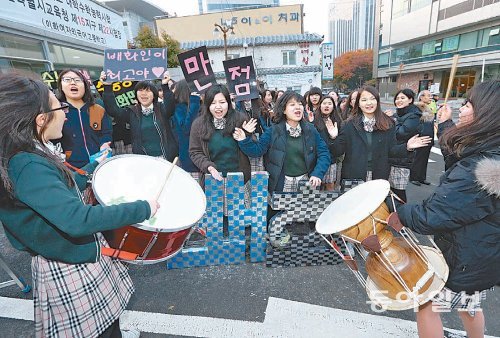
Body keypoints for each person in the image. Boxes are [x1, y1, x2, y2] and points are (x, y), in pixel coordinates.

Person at [0, 73, 159, 338]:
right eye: (59, 106)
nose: (64, 113)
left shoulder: (31, 152)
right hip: (69, 262)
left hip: (74, 255)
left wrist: (91, 166)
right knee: (98, 331)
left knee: (108, 323)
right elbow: (77, 219)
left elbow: (60, 186)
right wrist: (142, 208)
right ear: (41, 120)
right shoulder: (26, 164)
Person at [396, 80, 500, 338]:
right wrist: (445, 126)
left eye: (468, 105)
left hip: (465, 254)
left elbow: (435, 215)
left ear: (487, 111)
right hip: (481, 252)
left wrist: (400, 215)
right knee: (469, 304)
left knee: (427, 304)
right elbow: (460, 163)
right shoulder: (490, 151)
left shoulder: (479, 170)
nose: (461, 110)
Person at [233, 90, 331, 194]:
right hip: (282, 183)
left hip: (306, 181)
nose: (298, 107)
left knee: (304, 210)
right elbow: (257, 151)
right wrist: (244, 140)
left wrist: (317, 174)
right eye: (292, 104)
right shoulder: (273, 131)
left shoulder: (311, 130)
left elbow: (324, 153)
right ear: (284, 110)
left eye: (300, 104)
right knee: (282, 210)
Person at [331, 86, 431, 183]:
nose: (369, 103)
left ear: (377, 101)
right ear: (358, 104)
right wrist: (333, 137)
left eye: (372, 99)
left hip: (379, 175)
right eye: (364, 100)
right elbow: (338, 151)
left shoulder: (388, 123)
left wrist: (407, 147)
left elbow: (391, 151)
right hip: (353, 175)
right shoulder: (349, 124)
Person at [100, 72, 178, 161]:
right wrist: (107, 87)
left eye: (148, 91)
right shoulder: (132, 112)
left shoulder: (161, 108)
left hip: (166, 159)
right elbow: (113, 110)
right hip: (143, 161)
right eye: (140, 90)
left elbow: (170, 105)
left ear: (154, 94)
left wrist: (164, 85)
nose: (144, 94)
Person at [189, 84, 252, 182]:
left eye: (222, 102)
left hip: (238, 178)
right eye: (213, 103)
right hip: (211, 178)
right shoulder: (199, 124)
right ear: (207, 105)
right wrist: (209, 167)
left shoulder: (240, 119)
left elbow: (253, 150)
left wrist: (246, 137)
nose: (218, 107)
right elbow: (195, 152)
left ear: (228, 102)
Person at [56, 69, 112, 168]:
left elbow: (106, 133)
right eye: (67, 80)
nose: (73, 82)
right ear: (61, 86)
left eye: (77, 80)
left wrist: (105, 143)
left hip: (98, 162)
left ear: (85, 86)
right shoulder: (57, 112)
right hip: (71, 167)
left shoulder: (97, 109)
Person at [388, 88, 424, 201]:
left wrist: (391, 120)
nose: (399, 100)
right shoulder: (399, 114)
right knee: (390, 191)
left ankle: (400, 216)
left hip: (402, 160)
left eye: (402, 98)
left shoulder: (414, 116)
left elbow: (400, 133)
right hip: (392, 157)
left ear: (410, 100)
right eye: (397, 98)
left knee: (398, 192)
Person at [313, 95, 343, 190]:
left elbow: (340, 148)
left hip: (331, 159)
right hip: (316, 160)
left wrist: (333, 137)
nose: (327, 106)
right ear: (320, 106)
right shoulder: (314, 120)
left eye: (329, 103)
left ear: (334, 106)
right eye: (324, 103)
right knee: (315, 188)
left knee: (330, 187)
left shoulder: (338, 121)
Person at [170, 79, 201, 173]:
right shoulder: (179, 108)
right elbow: (186, 128)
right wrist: (195, 102)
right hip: (189, 155)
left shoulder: (200, 105)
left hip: (202, 155)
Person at [409, 90, 436, 185]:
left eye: (430, 95)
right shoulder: (417, 108)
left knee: (425, 158)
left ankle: (421, 177)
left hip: (428, 136)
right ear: (421, 97)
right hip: (420, 136)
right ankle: (414, 177)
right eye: (428, 96)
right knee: (418, 158)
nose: (430, 97)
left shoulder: (429, 109)